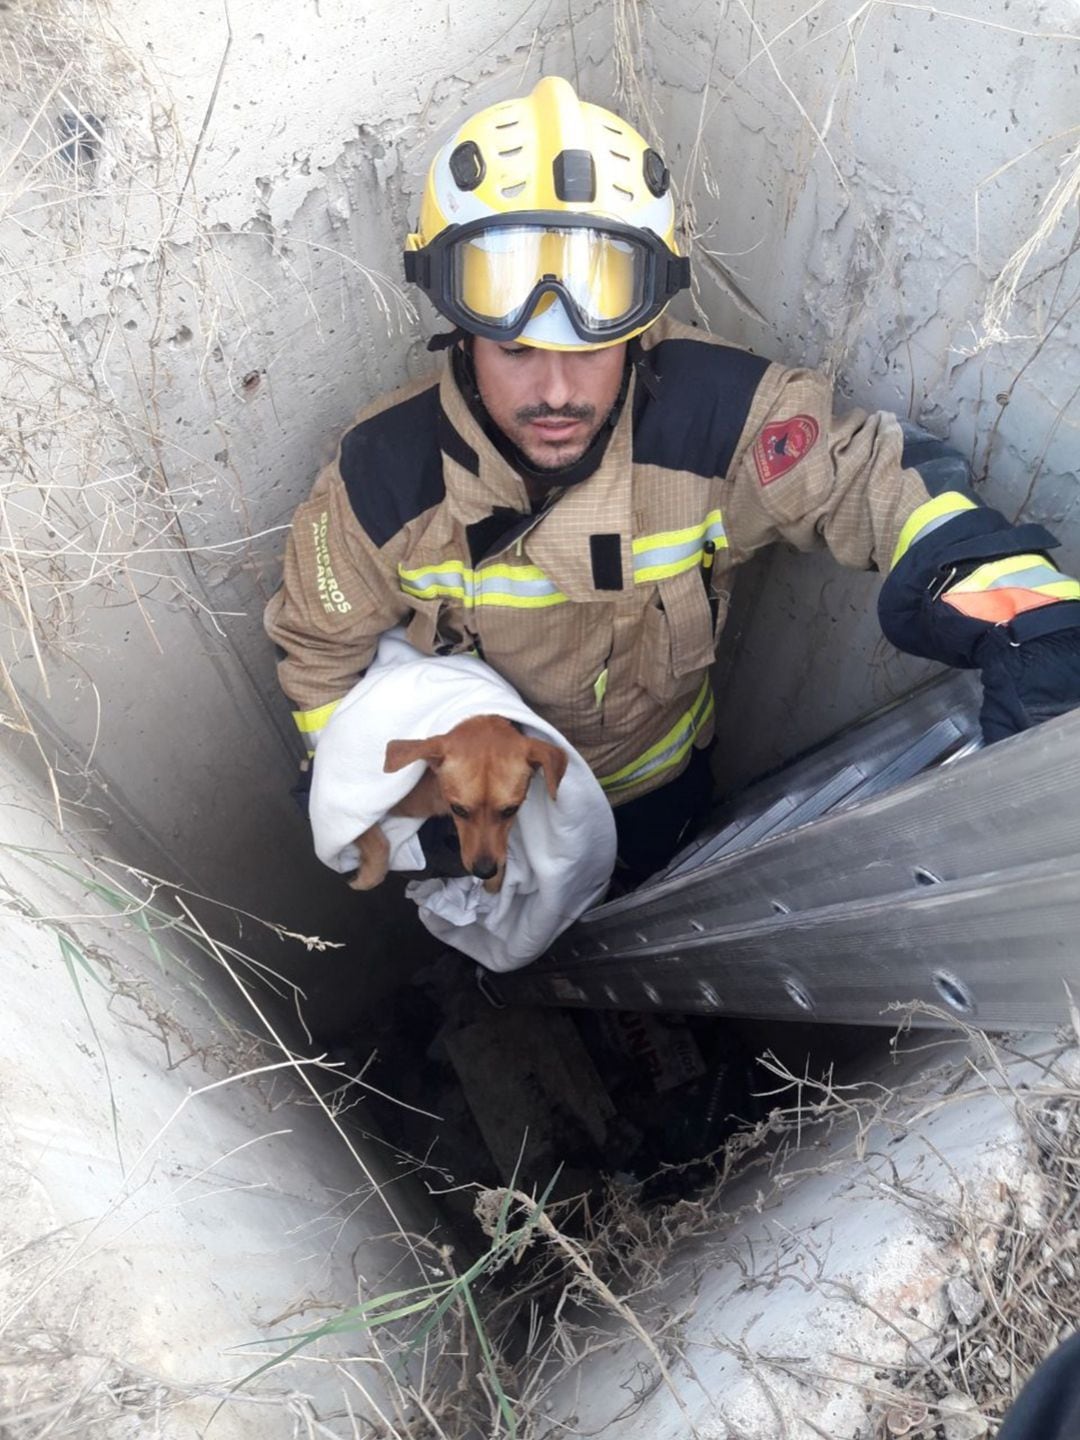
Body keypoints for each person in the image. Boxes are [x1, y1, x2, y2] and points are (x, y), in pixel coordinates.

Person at [265, 75, 1080, 885]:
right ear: (460, 328)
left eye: (589, 347)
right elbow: (317, 649)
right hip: (484, 806)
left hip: (658, 782)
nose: (554, 391)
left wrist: (1018, 610)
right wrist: (385, 803)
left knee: (640, 887)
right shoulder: (382, 482)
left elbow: (861, 475)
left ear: (641, 323)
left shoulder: (714, 423)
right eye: (516, 349)